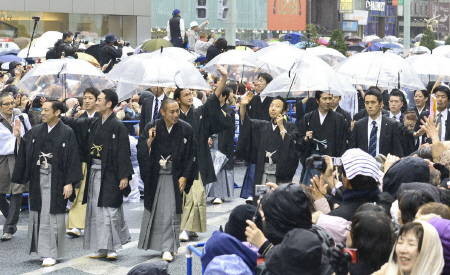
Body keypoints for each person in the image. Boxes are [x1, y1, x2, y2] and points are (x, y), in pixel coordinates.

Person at [61, 89, 134, 260]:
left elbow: (124, 153)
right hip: (94, 172)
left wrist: (124, 176)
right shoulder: (93, 122)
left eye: (99, 99)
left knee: (110, 210)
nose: (96, 102)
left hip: (111, 173)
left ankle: (112, 247)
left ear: (109, 104)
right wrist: (61, 116)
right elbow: (74, 124)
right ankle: (101, 246)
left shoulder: (118, 126)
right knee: (95, 210)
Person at [11, 100, 83, 266]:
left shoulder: (67, 132)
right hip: (38, 176)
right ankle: (43, 251)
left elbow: (72, 158)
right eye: (42, 110)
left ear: (57, 112)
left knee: (53, 215)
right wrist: (19, 138)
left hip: (57, 178)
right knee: (39, 213)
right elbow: (26, 151)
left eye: (46, 110)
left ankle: (53, 253)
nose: (42, 113)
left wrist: (69, 182)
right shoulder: (36, 131)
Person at [175, 65, 232, 242]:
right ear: (177, 100)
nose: (190, 97)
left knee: (197, 194)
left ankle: (191, 228)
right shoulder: (174, 117)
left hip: (198, 159)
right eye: (185, 95)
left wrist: (223, 78)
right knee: (184, 195)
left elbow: (214, 100)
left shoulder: (199, 113)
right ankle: (183, 227)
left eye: (191, 94)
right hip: (180, 162)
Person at [137, 98, 197, 262]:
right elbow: (140, 149)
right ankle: (159, 246)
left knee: (171, 212)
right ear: (162, 112)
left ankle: (168, 248)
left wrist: (185, 175)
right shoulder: (152, 127)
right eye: (171, 111)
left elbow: (192, 154)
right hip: (156, 176)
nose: (176, 114)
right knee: (156, 212)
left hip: (174, 176)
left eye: (177, 111)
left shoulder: (186, 128)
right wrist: (149, 140)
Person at [238, 93, 300, 197]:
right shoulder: (263, 125)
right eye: (271, 106)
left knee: (278, 200)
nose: (273, 108)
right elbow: (246, 121)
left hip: (280, 172)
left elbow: (291, 145)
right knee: (262, 199)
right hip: (263, 170)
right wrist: (243, 105)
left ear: (284, 111)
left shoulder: (290, 126)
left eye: (277, 106)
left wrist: (281, 126)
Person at [66, 87, 101, 237]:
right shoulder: (79, 119)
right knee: (80, 192)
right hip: (83, 161)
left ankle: (99, 225)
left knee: (100, 194)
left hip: (100, 161)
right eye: (85, 97)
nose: (86, 100)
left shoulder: (103, 118)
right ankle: (76, 225)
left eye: (90, 98)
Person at [237, 73, 273, 203]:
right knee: (253, 166)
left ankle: (264, 194)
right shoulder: (253, 99)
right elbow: (244, 118)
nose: (257, 83)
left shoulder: (273, 100)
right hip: (254, 136)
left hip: (268, 136)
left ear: (268, 84)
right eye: (257, 80)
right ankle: (251, 193)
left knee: (265, 168)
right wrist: (244, 104)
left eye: (261, 80)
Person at [299, 91, 348, 185]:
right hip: (313, 160)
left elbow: (342, 142)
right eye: (324, 98)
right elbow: (300, 138)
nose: (328, 101)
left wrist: (339, 164)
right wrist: (305, 138)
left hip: (331, 160)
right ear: (317, 100)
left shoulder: (339, 118)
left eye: (330, 98)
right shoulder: (308, 117)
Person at [0, 92, 31, 241]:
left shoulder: (21, 118)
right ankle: (10, 218)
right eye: (6, 104)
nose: (11, 106)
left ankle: (9, 227)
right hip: (1, 159)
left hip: (18, 157)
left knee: (16, 192)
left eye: (12, 103)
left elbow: (29, 138)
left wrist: (18, 136)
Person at [330, 209, 394, 275]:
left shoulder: (353, 269)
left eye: (350, 229)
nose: (347, 234)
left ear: (362, 240)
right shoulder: (392, 264)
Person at [327, 148, 383, 221]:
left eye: (342, 173)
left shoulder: (335, 218)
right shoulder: (386, 206)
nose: (341, 176)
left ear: (347, 181)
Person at [372, 220, 444, 275]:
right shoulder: (388, 270)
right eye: (400, 242)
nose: (402, 250)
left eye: (411, 244)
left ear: (428, 251)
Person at [350, 87, 404, 157]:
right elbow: (352, 151)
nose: (370, 106)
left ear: (381, 104)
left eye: (373, 102)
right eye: (367, 103)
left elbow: (397, 152)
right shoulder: (359, 125)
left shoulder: (391, 125)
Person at [206, 87, 236, 204]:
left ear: (224, 96)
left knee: (222, 168)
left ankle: (220, 194)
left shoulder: (229, 110)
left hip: (224, 141)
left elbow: (229, 124)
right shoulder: (210, 109)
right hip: (213, 140)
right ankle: (216, 194)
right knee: (215, 167)